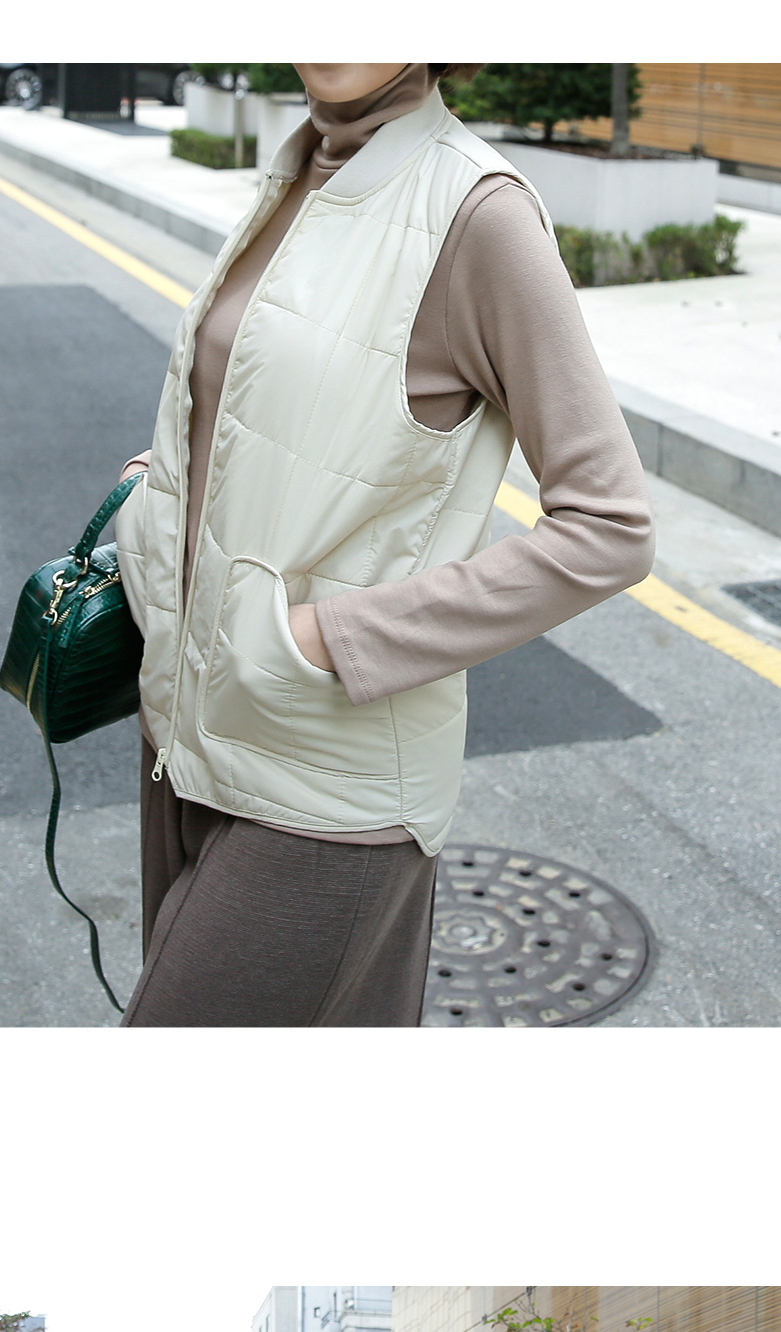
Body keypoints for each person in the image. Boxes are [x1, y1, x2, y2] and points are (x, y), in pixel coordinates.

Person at [113, 63, 655, 1034]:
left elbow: (608, 528)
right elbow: (292, 419)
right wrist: (159, 489)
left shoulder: (477, 213)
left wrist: (333, 640)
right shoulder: (300, 169)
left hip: (322, 778)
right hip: (183, 733)